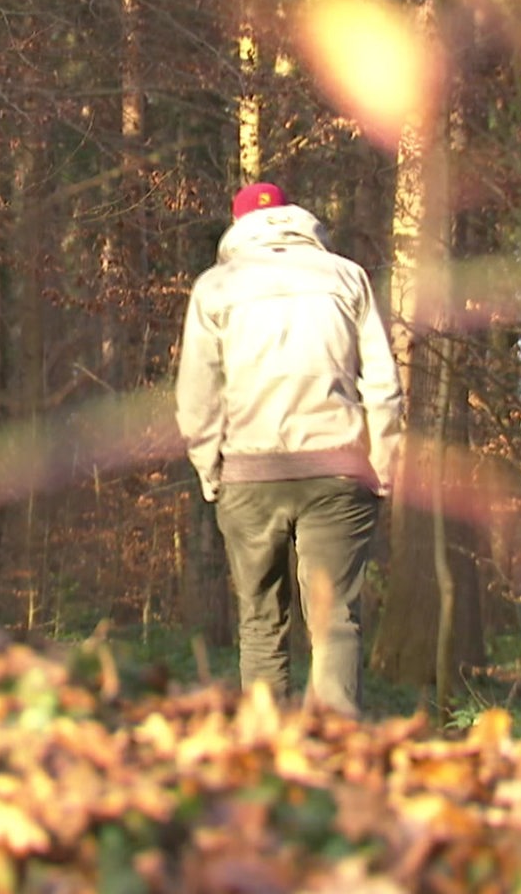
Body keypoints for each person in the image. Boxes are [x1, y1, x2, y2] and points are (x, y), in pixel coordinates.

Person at [175, 182, 402, 716]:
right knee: (335, 621)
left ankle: (265, 757)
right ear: (297, 220)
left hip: (248, 472)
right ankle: (340, 757)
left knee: (259, 623)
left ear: (237, 227)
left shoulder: (215, 286)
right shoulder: (348, 276)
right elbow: (384, 386)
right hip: (338, 470)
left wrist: (211, 471)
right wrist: (383, 466)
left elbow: (196, 396)